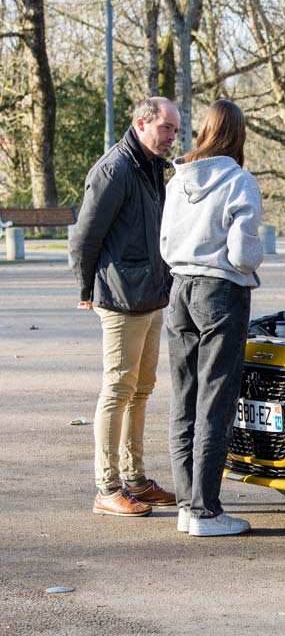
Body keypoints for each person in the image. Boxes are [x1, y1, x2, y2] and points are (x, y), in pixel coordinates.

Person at [69, 97, 180, 517]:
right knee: (117, 389)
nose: (172, 137)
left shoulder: (151, 167)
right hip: (121, 297)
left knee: (142, 389)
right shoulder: (114, 170)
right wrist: (86, 289)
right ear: (141, 124)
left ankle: (135, 480)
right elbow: (84, 238)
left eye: (174, 129)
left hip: (152, 295)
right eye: (166, 128)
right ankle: (106, 487)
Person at [160, 99, 263, 537]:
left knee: (183, 399)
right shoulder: (239, 181)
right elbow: (242, 254)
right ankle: (206, 512)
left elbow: (165, 240)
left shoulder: (177, 179)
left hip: (179, 289)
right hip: (220, 293)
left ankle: (187, 506)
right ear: (238, 135)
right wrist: (255, 259)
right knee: (215, 402)